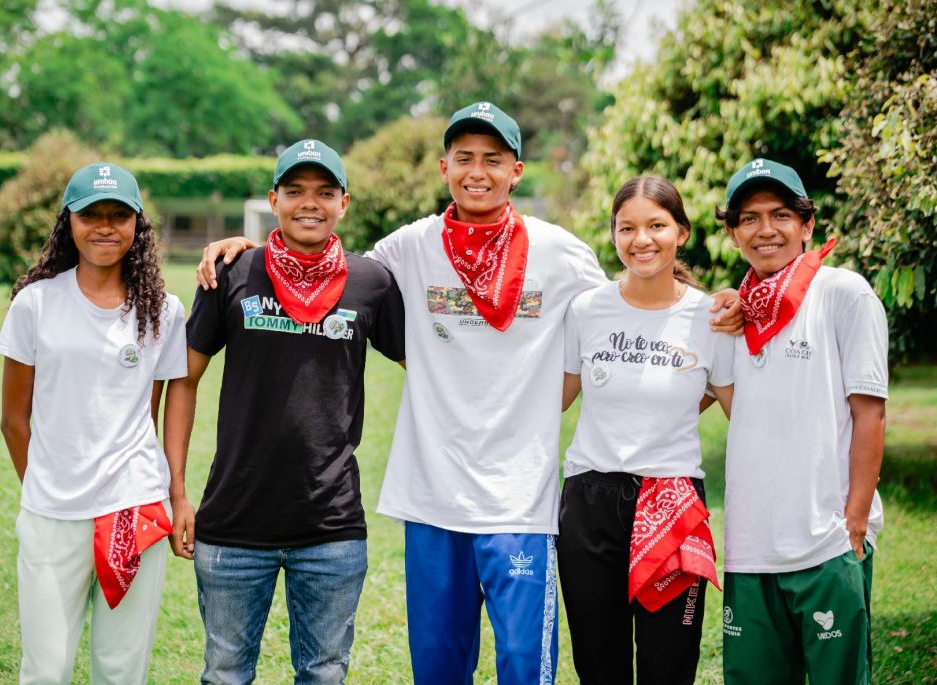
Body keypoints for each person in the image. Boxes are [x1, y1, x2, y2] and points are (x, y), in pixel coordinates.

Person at [196, 103, 742, 683]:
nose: (477, 171)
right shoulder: (409, 248)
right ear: (443, 168)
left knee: (522, 668)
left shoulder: (560, 252)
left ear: (517, 171)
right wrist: (249, 251)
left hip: (521, 503)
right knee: (438, 667)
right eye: (464, 159)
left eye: (493, 159)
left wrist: (710, 305)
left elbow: (633, 304)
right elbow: (327, 266)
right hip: (433, 496)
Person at [165, 139, 405, 684]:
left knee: (323, 675)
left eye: (324, 192)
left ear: (345, 203)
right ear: (273, 199)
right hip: (232, 525)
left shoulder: (371, 282)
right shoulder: (231, 272)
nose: (309, 203)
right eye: (294, 191)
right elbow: (183, 379)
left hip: (331, 526)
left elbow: (432, 367)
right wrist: (177, 492)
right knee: (224, 674)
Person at [0, 162, 188, 684]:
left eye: (119, 215)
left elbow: (146, 414)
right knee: (46, 668)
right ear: (68, 224)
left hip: (132, 511)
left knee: (121, 668)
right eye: (91, 215)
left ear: (137, 226)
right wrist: (46, 487)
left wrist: (169, 491)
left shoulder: (163, 313)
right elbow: (14, 420)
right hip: (51, 515)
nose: (105, 226)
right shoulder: (35, 304)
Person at [716, 159, 887, 685]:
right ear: (733, 232)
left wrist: (853, 522)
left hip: (826, 541)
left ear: (807, 224)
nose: (765, 230)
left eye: (781, 214)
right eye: (749, 218)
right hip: (750, 545)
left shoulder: (844, 292)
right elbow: (727, 405)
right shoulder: (732, 315)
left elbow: (870, 411)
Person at [558, 176, 734, 684]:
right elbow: (556, 398)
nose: (642, 239)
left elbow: (738, 407)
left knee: (669, 665)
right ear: (613, 235)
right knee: (598, 663)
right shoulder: (587, 309)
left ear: (681, 232)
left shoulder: (710, 317)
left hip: (673, 501)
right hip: (590, 501)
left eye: (656, 225)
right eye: (627, 227)